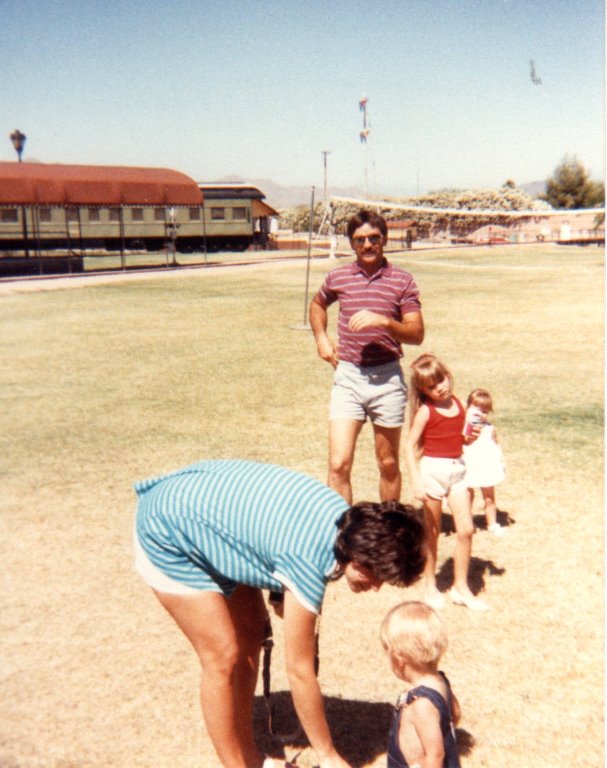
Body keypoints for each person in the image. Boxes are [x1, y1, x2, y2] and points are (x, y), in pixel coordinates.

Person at [134, 458, 426, 768]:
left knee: (251, 639)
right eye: (377, 576)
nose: (377, 588)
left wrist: (277, 590)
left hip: (209, 519)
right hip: (168, 528)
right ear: (357, 558)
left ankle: (250, 757)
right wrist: (328, 756)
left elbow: (271, 535)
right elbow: (299, 671)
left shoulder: (340, 516)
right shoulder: (309, 561)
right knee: (222, 657)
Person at [309, 209, 424, 505]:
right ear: (351, 244)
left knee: (387, 463)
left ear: (384, 239)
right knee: (338, 464)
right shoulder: (339, 277)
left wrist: (385, 321)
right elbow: (318, 303)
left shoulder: (402, 281)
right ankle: (340, 536)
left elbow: (416, 333)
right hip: (348, 377)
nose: (368, 245)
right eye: (360, 240)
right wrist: (321, 338)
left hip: (387, 380)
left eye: (374, 237)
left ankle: (386, 535)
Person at [404, 353, 489, 611]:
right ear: (422, 390)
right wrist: (416, 482)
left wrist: (469, 438)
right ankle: (429, 585)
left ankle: (460, 588)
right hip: (433, 472)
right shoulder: (425, 412)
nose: (440, 387)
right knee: (432, 532)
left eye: (441, 380)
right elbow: (408, 447)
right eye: (431, 386)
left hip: (458, 471)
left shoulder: (461, 405)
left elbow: (459, 439)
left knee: (466, 529)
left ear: (448, 375)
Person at [381, 601, 461, 768]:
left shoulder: (421, 704)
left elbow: (435, 755)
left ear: (399, 658)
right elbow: (456, 713)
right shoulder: (440, 681)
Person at [462, 388, 506, 535]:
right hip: (470, 465)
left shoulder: (490, 428)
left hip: (486, 466)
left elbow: (496, 445)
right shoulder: (466, 427)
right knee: (468, 495)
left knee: (489, 497)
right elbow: (462, 441)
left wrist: (502, 462)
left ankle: (492, 523)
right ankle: (467, 521)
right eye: (477, 409)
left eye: (485, 411)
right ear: (468, 407)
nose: (481, 414)